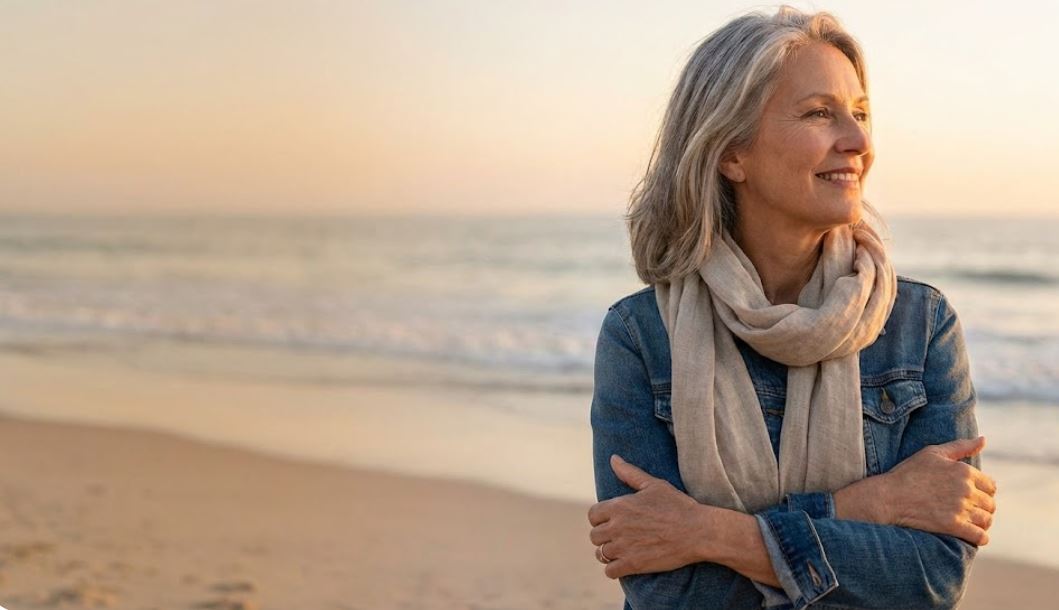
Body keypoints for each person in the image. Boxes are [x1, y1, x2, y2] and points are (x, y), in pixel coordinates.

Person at [586, 6, 998, 610]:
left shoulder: (919, 324)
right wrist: (869, 506)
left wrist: (707, 533)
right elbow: (668, 589)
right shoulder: (641, 337)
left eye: (860, 114)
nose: (858, 142)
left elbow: (928, 579)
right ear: (731, 153)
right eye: (818, 114)